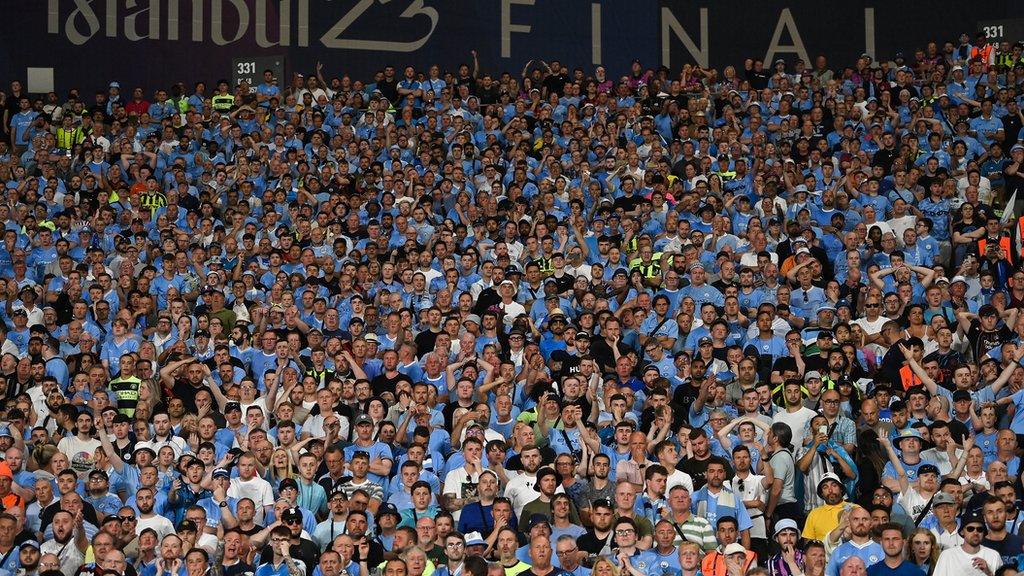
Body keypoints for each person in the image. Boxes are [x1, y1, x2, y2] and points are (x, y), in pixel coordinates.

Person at [931, 512, 1001, 576]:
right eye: (970, 529)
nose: (975, 533)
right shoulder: (947, 555)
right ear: (962, 532)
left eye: (979, 529)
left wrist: (988, 573)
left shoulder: (994, 556)